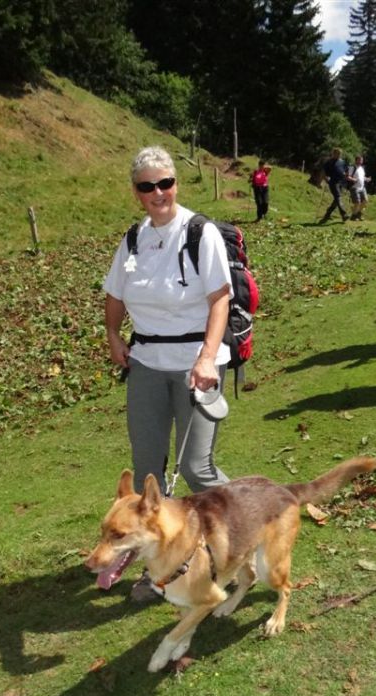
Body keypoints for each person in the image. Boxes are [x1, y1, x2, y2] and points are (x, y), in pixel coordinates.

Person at [104, 147, 232, 599]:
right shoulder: (133, 240)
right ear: (136, 192)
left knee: (197, 467)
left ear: (176, 183)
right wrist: (115, 336)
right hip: (145, 365)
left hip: (195, 364)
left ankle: (243, 532)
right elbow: (115, 297)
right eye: (147, 186)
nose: (158, 193)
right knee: (146, 477)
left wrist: (205, 358)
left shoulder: (201, 233)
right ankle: (158, 564)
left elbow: (220, 298)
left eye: (166, 183)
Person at [319, 148, 349, 223]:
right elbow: (323, 172)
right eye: (337, 153)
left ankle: (327, 215)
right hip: (333, 182)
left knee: (336, 200)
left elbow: (346, 170)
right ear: (333, 153)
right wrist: (326, 180)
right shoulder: (329, 162)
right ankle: (344, 214)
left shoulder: (342, 162)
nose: (339, 155)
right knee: (338, 197)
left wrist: (346, 175)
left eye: (340, 154)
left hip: (341, 182)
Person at [347, 155, 369, 220]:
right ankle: (353, 216)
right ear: (356, 160)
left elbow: (362, 177)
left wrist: (367, 179)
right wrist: (353, 180)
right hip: (354, 187)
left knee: (365, 201)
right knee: (357, 203)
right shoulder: (352, 167)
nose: (360, 161)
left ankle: (358, 213)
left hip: (362, 187)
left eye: (361, 160)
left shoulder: (362, 168)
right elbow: (347, 177)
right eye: (359, 160)